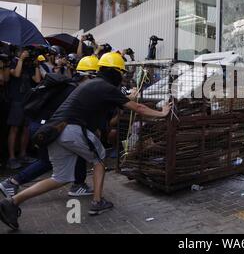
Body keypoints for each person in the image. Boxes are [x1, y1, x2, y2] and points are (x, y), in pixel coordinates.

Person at [0, 52, 171, 230]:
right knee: (99, 159)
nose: (122, 76)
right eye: (121, 72)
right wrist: (163, 112)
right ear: (114, 71)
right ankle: (97, 202)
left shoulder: (93, 84)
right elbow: (138, 107)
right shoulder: (104, 86)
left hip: (54, 131)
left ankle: (12, 201)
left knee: (60, 177)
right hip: (71, 129)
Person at [0, 56, 101, 199]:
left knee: (74, 153)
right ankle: (12, 182)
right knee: (47, 161)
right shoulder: (75, 90)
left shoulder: (70, 86)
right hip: (45, 128)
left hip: (41, 125)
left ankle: (78, 185)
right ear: (91, 75)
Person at [6, 50, 41, 170]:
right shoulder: (12, 62)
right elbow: (16, 74)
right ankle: (11, 158)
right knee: (14, 128)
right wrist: (20, 59)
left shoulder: (29, 65)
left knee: (26, 129)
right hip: (16, 100)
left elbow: (37, 80)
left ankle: (23, 154)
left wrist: (36, 65)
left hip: (28, 100)